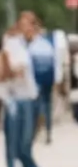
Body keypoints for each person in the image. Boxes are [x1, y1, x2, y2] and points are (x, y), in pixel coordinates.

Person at [0, 16, 44, 167]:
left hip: (29, 101)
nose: (25, 27)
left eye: (29, 23)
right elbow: (2, 73)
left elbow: (19, 71)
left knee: (23, 148)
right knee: (11, 151)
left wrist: (7, 67)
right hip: (12, 100)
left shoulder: (37, 46)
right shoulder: (12, 43)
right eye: (22, 23)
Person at [25, 14, 57, 144]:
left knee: (36, 107)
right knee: (47, 106)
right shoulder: (49, 43)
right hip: (47, 79)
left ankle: (34, 132)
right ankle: (48, 131)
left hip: (37, 80)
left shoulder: (32, 45)